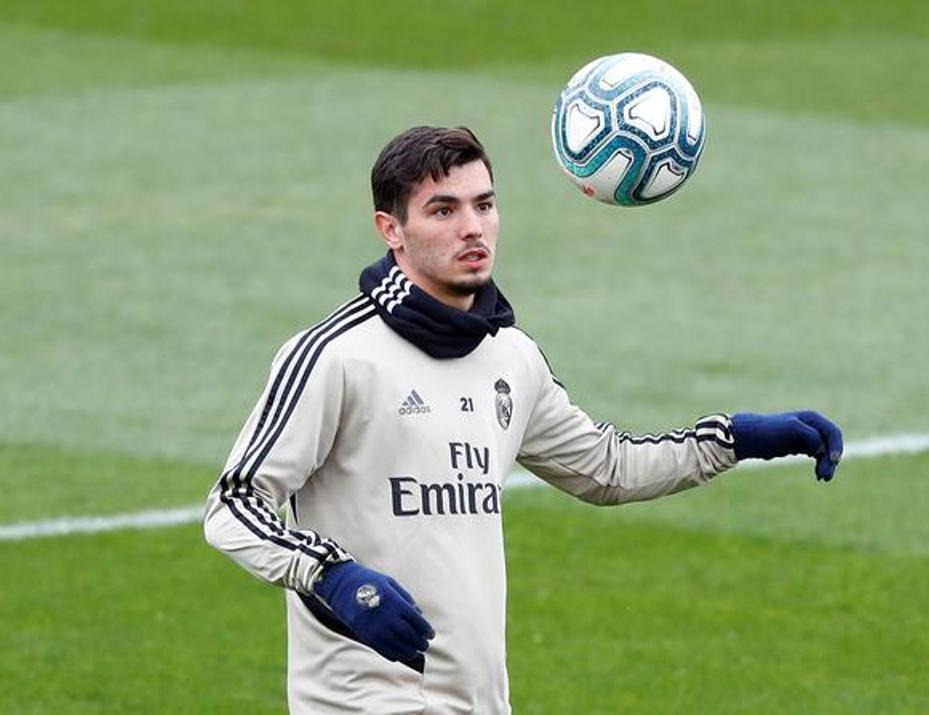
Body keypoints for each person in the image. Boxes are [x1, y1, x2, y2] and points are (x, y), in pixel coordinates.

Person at [204, 125, 843, 713]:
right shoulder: (335, 356)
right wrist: (334, 576)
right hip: (362, 700)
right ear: (390, 229)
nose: (473, 228)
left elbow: (607, 469)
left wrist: (733, 439)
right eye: (443, 210)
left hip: (478, 699)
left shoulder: (510, 357)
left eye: (483, 205)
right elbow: (233, 504)